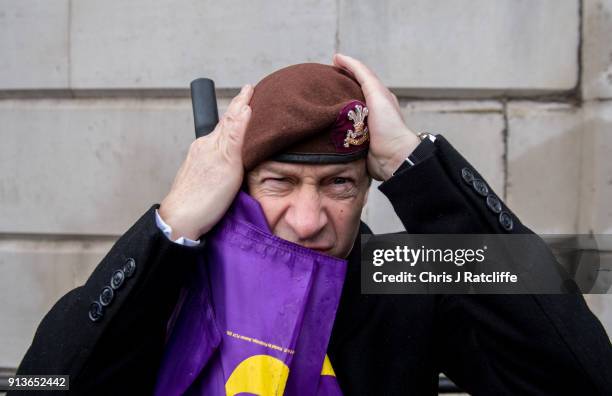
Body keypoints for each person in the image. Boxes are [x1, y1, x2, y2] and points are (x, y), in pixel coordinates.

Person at [10, 54, 612, 395]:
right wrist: (172, 225)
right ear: (234, 187)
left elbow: (582, 379)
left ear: (368, 186)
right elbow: (44, 388)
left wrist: (419, 169)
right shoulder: (173, 279)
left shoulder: (394, 273)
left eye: (339, 185)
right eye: (278, 183)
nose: (307, 219)